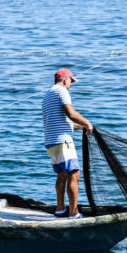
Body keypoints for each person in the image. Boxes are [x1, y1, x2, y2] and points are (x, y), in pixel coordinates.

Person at [41, 68, 93, 219]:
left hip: (51, 141)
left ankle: (60, 209)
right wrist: (87, 123)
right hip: (63, 141)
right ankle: (73, 213)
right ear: (65, 80)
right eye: (71, 81)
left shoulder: (48, 94)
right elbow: (71, 113)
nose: (71, 84)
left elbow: (60, 121)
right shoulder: (62, 92)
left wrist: (80, 126)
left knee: (62, 174)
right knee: (74, 174)